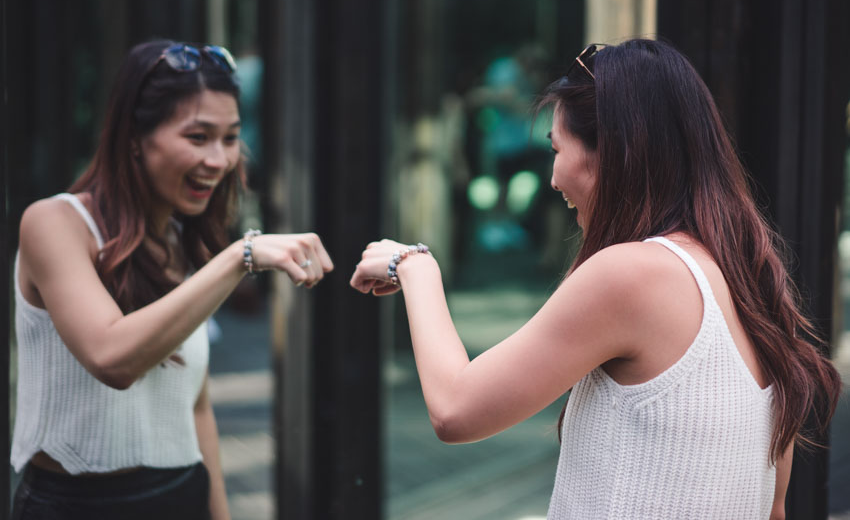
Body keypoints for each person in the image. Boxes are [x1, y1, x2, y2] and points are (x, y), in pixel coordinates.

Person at [350, 39, 842, 519]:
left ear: (612, 152)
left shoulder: (635, 274)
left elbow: (456, 409)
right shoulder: (749, 282)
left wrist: (414, 265)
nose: (553, 178)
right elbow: (775, 509)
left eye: (556, 148)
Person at [11, 40, 333, 520]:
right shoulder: (54, 223)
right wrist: (239, 256)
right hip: (76, 506)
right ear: (134, 138)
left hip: (181, 494)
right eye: (198, 137)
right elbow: (112, 358)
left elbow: (195, 406)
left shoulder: (184, 239)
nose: (219, 159)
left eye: (230, 138)